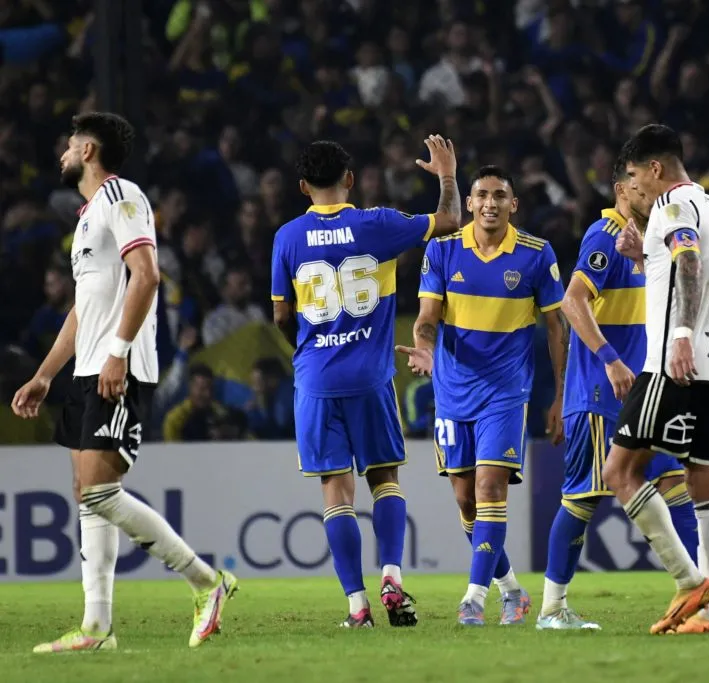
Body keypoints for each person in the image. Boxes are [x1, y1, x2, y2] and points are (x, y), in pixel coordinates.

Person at [11, 112, 237, 652]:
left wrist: (116, 354)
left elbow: (149, 274)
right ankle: (96, 628)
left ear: (89, 150)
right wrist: (45, 374)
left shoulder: (121, 195)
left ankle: (208, 582)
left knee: (99, 491)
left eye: (69, 145)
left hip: (121, 369)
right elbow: (81, 310)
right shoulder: (88, 217)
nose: (62, 154)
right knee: (87, 496)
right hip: (86, 371)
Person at [539, 160, 709, 630]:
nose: (647, 193)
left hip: (656, 380)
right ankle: (552, 606)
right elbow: (572, 301)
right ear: (622, 189)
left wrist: (643, 260)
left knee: (676, 483)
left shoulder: (656, 232)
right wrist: (610, 359)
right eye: (636, 187)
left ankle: (708, 591)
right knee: (585, 496)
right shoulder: (606, 233)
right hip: (609, 388)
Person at [271, 136, 462, 628]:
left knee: (337, 491)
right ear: (350, 180)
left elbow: (279, 315)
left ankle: (357, 607)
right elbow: (448, 222)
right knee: (385, 479)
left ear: (302, 186)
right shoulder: (377, 224)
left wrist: (314, 343)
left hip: (317, 378)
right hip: (371, 376)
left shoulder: (287, 237)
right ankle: (393, 575)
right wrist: (446, 175)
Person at [400, 166, 567, 626]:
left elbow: (557, 326)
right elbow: (427, 316)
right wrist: (425, 346)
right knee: (466, 501)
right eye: (482, 195)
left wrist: (559, 395)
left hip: (507, 392)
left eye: (500, 195)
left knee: (490, 486)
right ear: (470, 204)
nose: (490, 203)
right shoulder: (443, 249)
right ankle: (511, 589)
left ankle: (473, 599)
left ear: (514, 205)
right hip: (452, 391)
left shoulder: (536, 254)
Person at [601, 124, 709, 635]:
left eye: (635, 175)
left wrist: (679, 333)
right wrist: (644, 257)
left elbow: (687, 260)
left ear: (655, 168)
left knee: (619, 472)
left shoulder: (671, 204)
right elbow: (680, 261)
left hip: (672, 364)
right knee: (707, 482)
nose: (633, 187)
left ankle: (688, 581)